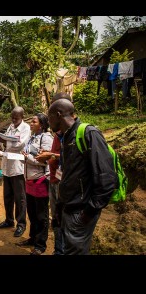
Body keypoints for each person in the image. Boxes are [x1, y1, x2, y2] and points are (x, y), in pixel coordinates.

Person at [47, 99, 118, 255]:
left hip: (80, 212)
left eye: (49, 116)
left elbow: (107, 178)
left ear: (58, 115)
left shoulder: (88, 133)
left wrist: (89, 212)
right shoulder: (67, 137)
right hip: (69, 209)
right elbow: (68, 177)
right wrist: (59, 208)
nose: (48, 121)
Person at [33, 92, 72, 255]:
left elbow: (73, 157)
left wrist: (51, 155)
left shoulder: (75, 133)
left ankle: (63, 250)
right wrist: (50, 153)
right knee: (56, 219)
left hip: (66, 184)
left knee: (65, 221)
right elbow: (60, 153)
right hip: (55, 179)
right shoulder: (59, 133)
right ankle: (58, 250)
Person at [0, 106, 31, 237]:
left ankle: (21, 224)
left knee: (20, 198)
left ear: (22, 117)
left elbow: (19, 145)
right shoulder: (11, 127)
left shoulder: (26, 128)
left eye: (16, 118)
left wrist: (4, 140)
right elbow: (9, 143)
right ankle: (9, 220)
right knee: (8, 196)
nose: (14, 120)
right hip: (7, 166)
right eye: (12, 117)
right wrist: (0, 140)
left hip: (18, 167)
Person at [19, 113, 53, 255]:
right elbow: (28, 156)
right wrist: (22, 157)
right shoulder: (32, 137)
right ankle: (33, 238)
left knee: (41, 215)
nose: (31, 124)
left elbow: (45, 161)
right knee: (32, 213)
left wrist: (28, 159)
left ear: (42, 125)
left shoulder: (46, 138)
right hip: (29, 181)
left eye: (34, 122)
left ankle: (40, 245)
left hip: (40, 180)